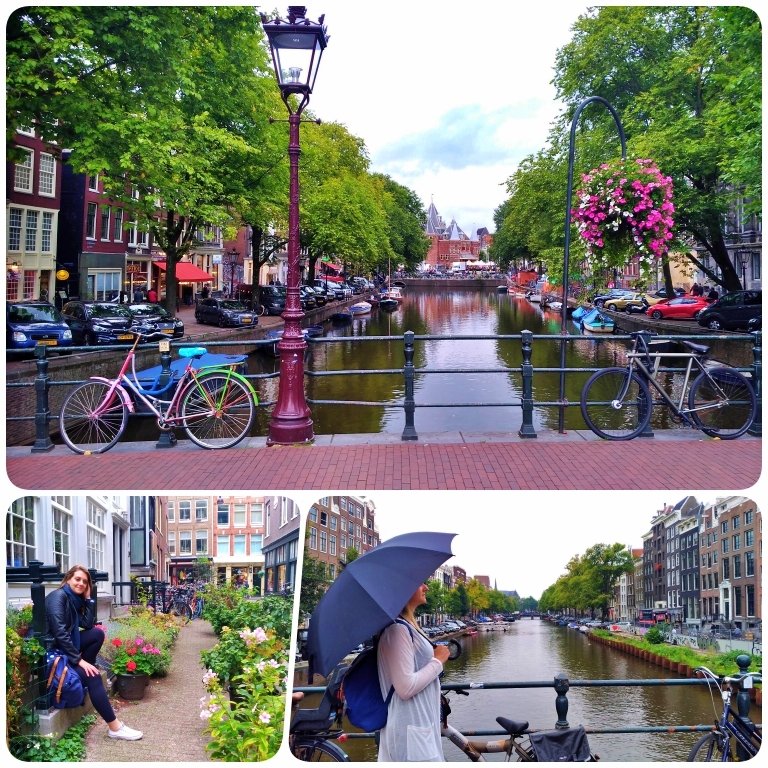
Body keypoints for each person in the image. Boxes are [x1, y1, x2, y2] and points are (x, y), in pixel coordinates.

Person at [45, 565, 143, 741]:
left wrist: (89, 599)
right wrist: (79, 661)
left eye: (85, 581)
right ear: (68, 579)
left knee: (97, 633)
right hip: (54, 652)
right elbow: (59, 633)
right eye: (77, 579)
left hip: (66, 647)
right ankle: (115, 728)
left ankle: (82, 671)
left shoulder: (75, 600)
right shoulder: (57, 597)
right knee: (94, 675)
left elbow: (89, 624)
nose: (81, 583)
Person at [376, 583, 451, 762]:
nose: (426, 587)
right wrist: (437, 660)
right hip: (410, 728)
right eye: (420, 583)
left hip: (418, 725)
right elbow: (405, 687)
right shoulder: (397, 630)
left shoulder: (406, 627)